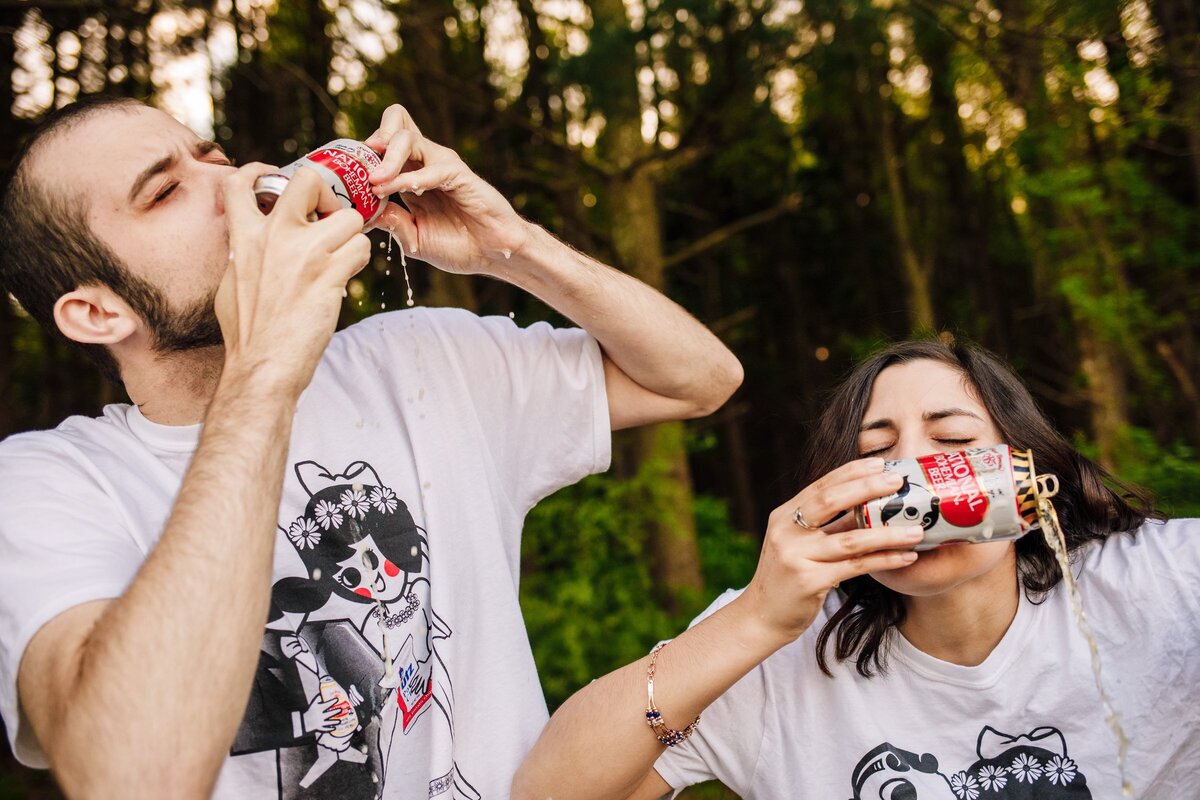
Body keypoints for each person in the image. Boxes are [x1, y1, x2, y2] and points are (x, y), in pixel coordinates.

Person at [0, 96, 744, 800]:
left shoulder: (412, 359)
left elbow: (698, 379)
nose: (236, 182)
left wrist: (512, 246)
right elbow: (126, 773)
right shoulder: (50, 485)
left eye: (214, 157)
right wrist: (264, 371)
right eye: (165, 192)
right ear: (97, 313)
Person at [513, 339, 1200, 799]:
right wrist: (755, 619)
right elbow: (544, 793)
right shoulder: (776, 653)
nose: (911, 471)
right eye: (875, 452)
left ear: (1025, 471)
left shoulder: (1157, 580)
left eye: (952, 439)